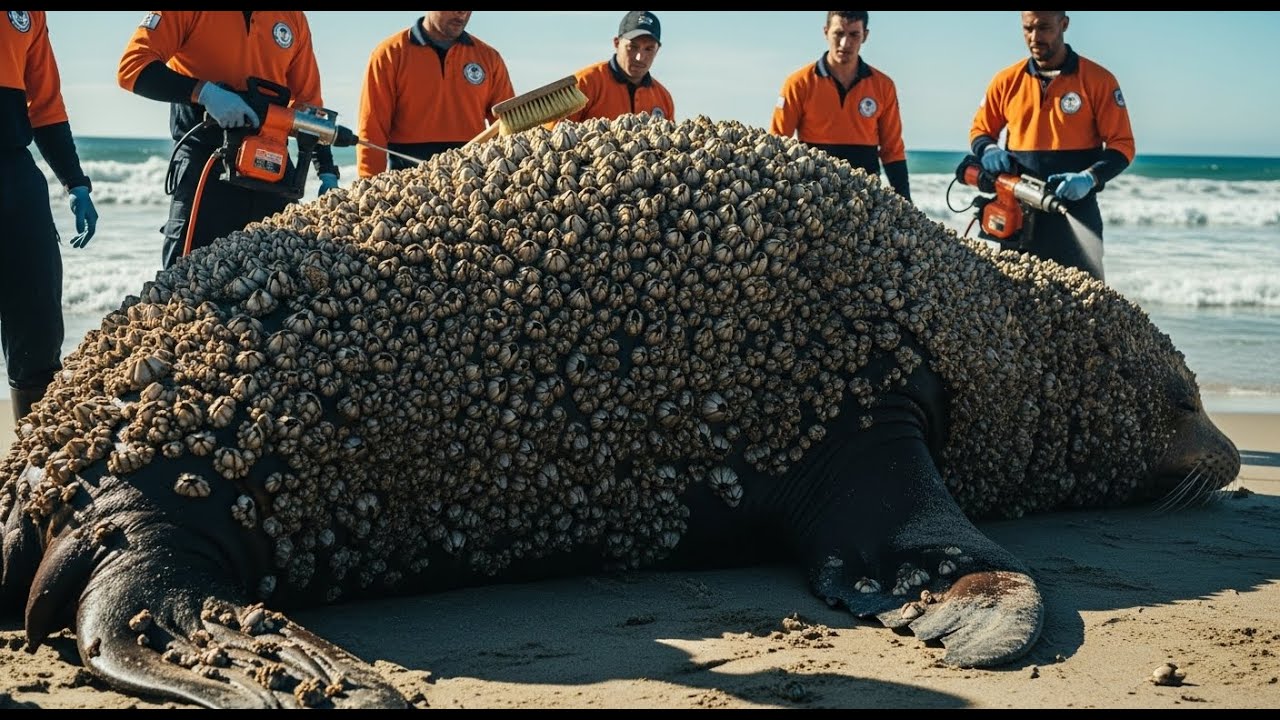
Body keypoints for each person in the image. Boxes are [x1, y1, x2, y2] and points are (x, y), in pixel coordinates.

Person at [117, 11, 341, 270]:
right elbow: (133, 68)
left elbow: (309, 107)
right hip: (206, 166)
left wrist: (326, 172)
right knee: (185, 285)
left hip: (271, 168)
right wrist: (204, 93)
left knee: (281, 284)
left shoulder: (292, 17)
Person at [969, 11, 1135, 281]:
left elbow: (1123, 145)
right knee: (1014, 306)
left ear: (1064, 24)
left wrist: (1089, 178)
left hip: (1075, 214)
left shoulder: (1098, 80)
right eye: (1028, 29)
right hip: (1016, 214)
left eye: (1044, 27)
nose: (1035, 37)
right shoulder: (1006, 81)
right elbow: (980, 130)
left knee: (1086, 307)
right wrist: (988, 150)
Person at [2, 10, 99, 422]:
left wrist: (75, 182)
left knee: (38, 331)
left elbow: (44, 105)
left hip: (14, 174)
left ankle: (34, 467)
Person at [771, 11, 910, 202]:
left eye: (854, 35)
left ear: (865, 36)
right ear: (826, 32)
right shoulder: (798, 83)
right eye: (838, 33)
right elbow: (777, 143)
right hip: (812, 194)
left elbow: (892, 149)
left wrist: (905, 200)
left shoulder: (883, 85)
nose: (845, 43)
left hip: (866, 193)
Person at [356, 12, 514, 179]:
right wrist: (368, 186)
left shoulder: (489, 58)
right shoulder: (389, 55)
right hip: (408, 188)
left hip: (474, 182)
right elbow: (373, 131)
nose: (462, 12)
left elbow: (508, 127)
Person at [557, 11, 674, 125]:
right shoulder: (584, 83)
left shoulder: (663, 98)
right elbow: (550, 137)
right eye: (632, 47)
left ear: (657, 50)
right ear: (617, 43)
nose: (639, 57)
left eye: (648, 49)